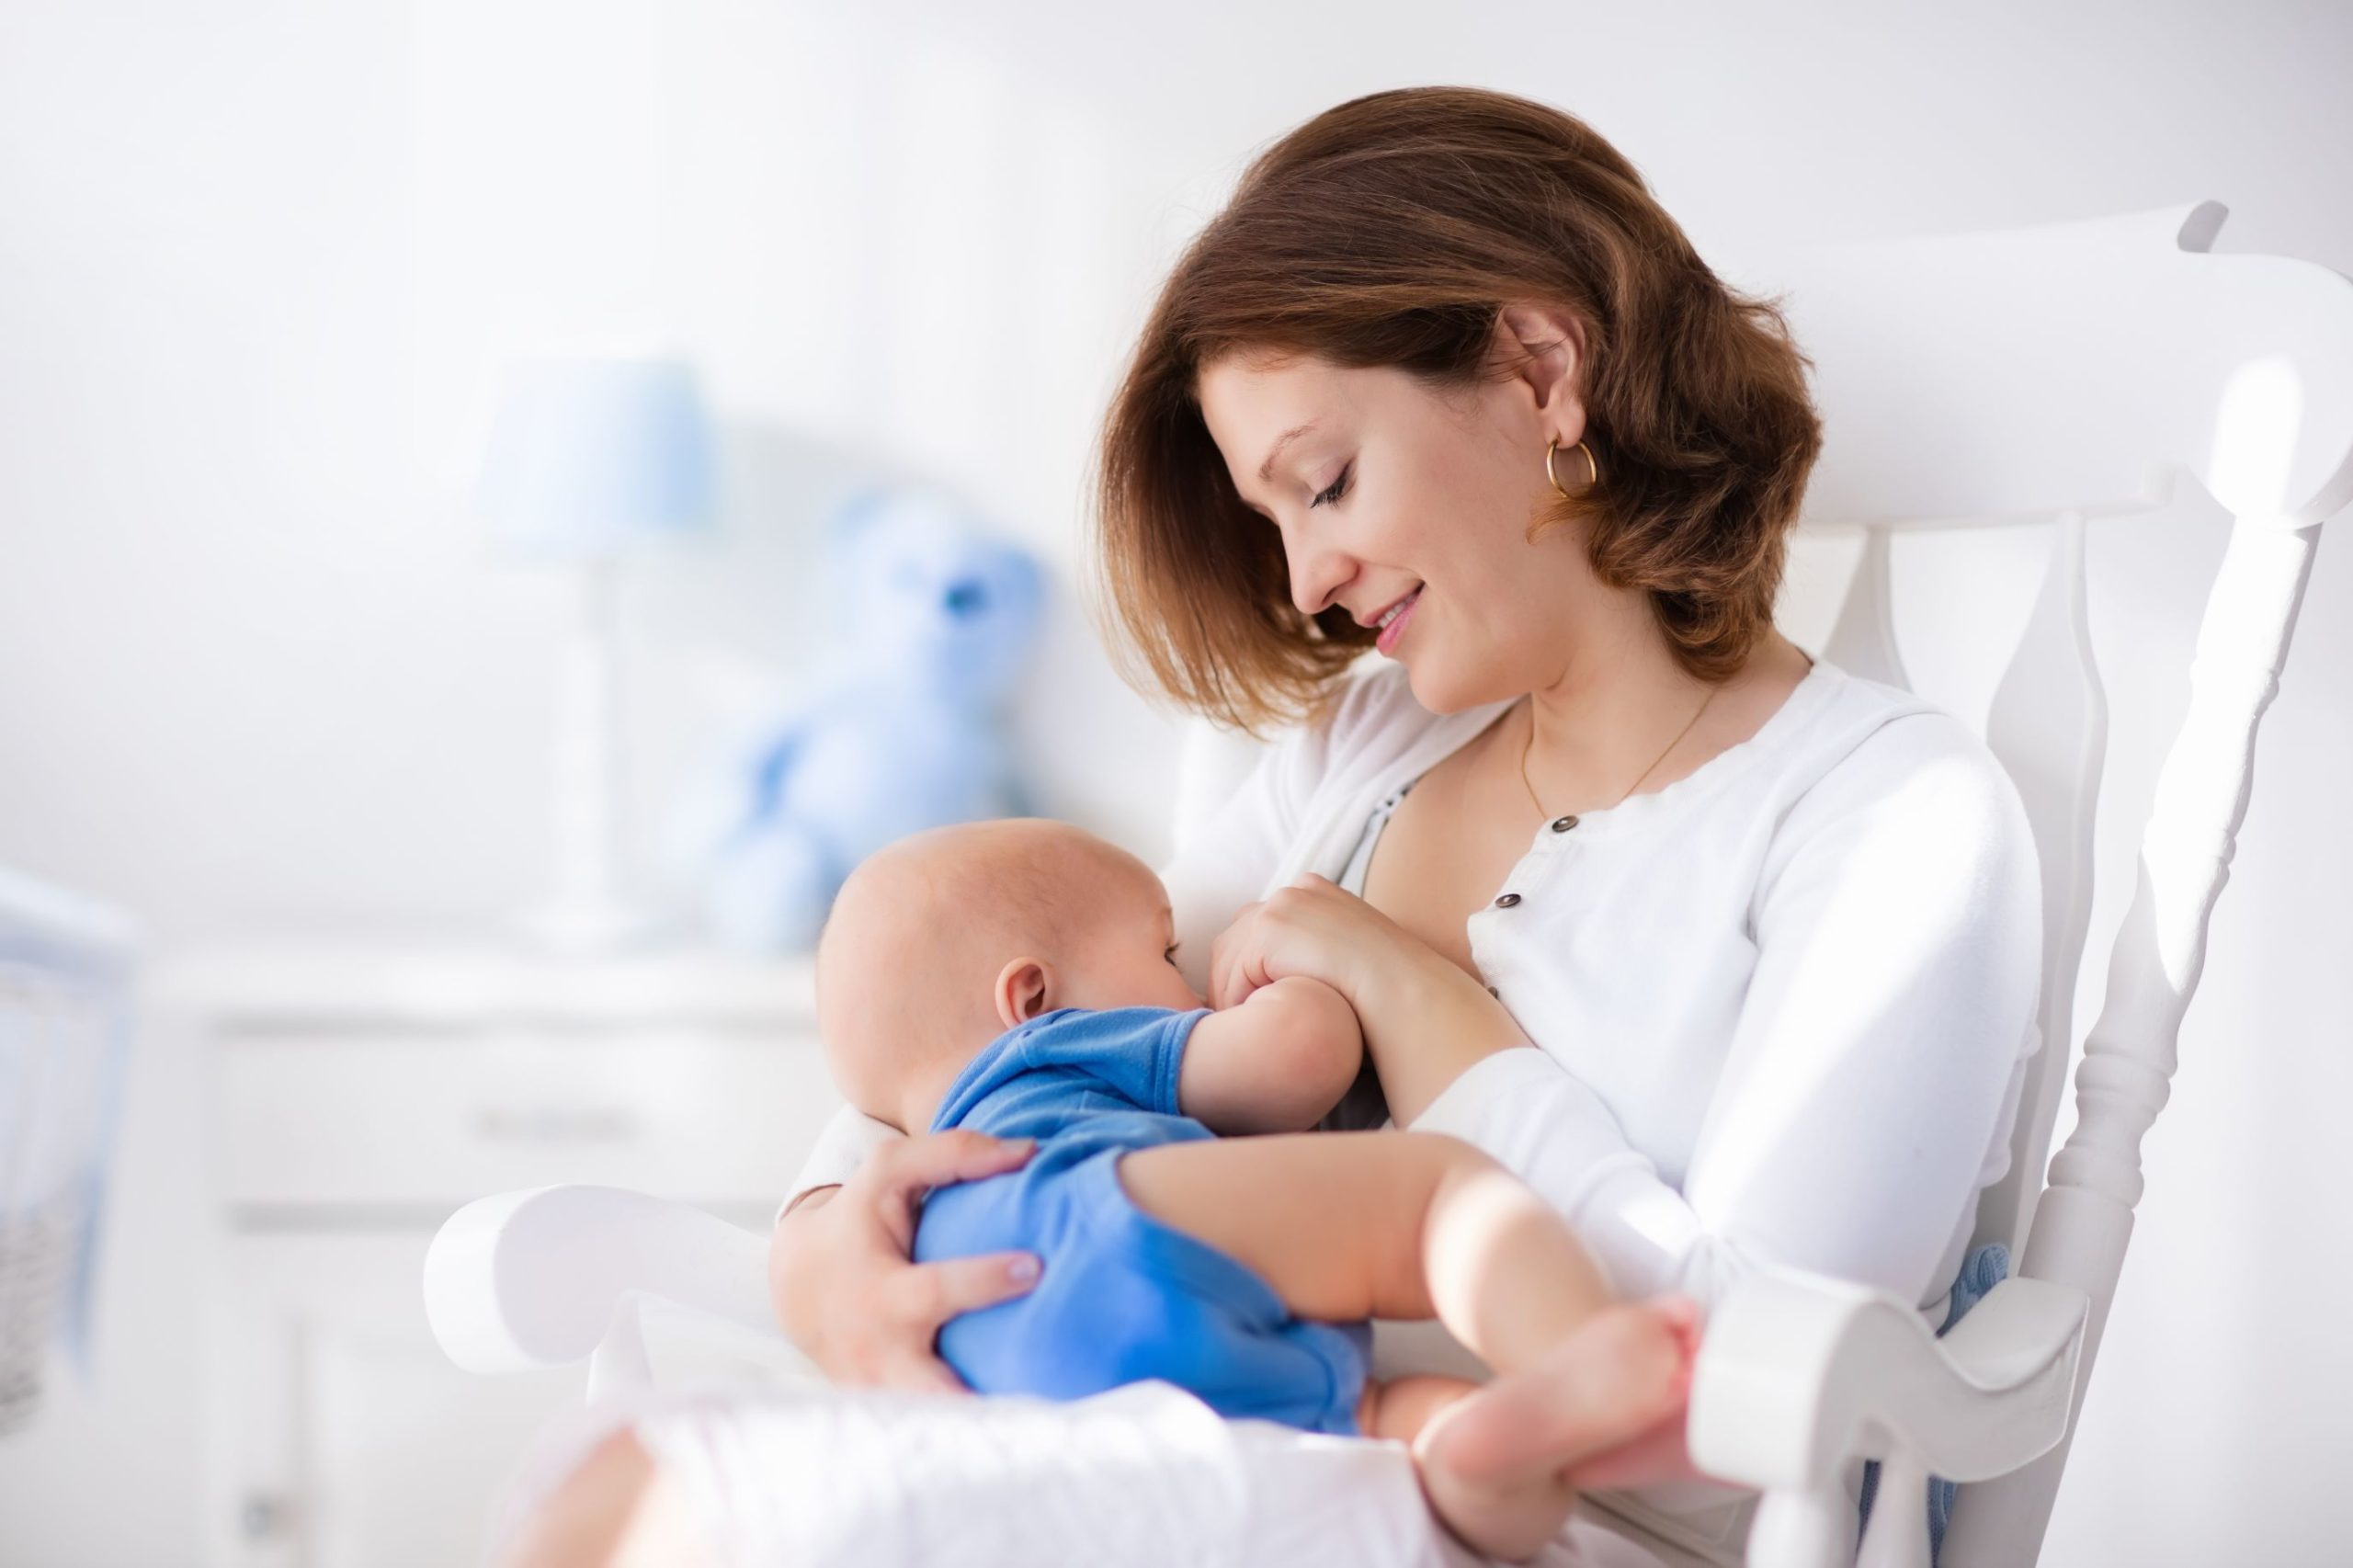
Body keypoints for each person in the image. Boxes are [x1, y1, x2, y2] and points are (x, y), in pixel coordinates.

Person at [768, 83, 2042, 1561]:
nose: (1308, 578)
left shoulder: (1890, 818)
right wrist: (823, 1249)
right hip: (1200, 1482)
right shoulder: (1363, 746)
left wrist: (1420, 1001)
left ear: (1542, 368)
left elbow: (1750, 1423)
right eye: (1277, 521)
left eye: (1326, 481)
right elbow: (1009, 1014)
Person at [808, 814, 1704, 1559]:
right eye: (1166, 949)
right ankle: (1588, 1359)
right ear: (1032, 995)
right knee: (1435, 1198)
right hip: (1093, 1219)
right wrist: (1292, 989)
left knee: (1369, 1422)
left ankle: (1468, 1449)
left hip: (994, 1366)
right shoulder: (1055, 1046)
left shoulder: (919, 1183)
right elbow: (1299, 1058)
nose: (1189, 979)